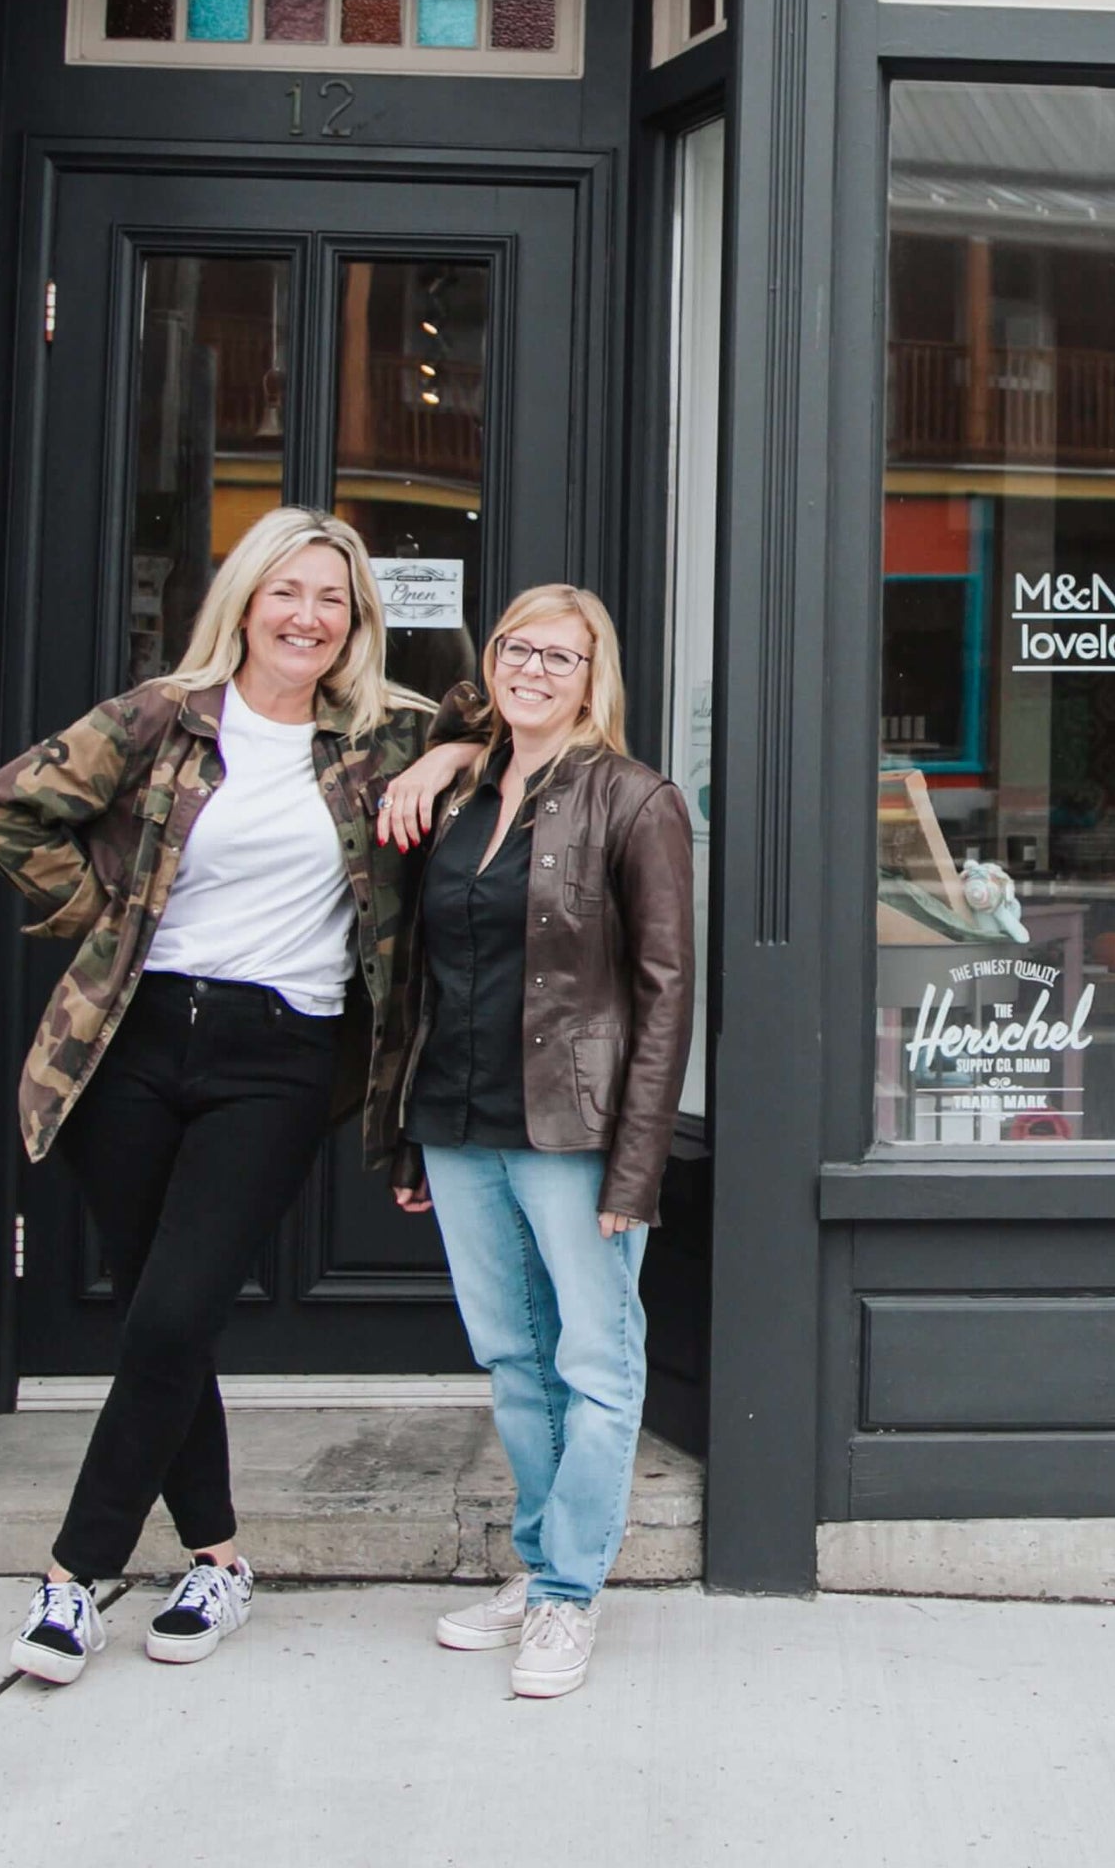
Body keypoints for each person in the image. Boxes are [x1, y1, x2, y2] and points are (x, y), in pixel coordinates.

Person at [0, 507, 478, 1683]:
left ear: (357, 620)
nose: (308, 616)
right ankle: (219, 1558)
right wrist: (106, 922)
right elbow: (2, 809)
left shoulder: (384, 735)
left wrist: (448, 753)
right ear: (246, 601)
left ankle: (75, 1574)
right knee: (164, 1318)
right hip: (133, 1042)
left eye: (332, 600)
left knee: (172, 1311)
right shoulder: (164, 715)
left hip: (280, 1053)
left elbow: (507, 719)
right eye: (287, 592)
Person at [367, 584, 694, 1701]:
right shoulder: (463, 790)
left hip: (576, 1131)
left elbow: (665, 993)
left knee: (593, 1363)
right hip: (459, 1120)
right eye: (517, 648)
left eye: (562, 655)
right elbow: (424, 974)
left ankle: (568, 1594)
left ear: (594, 673)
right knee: (514, 1359)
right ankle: (542, 1562)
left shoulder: (636, 798)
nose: (535, 670)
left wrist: (638, 1162)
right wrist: (410, 1134)